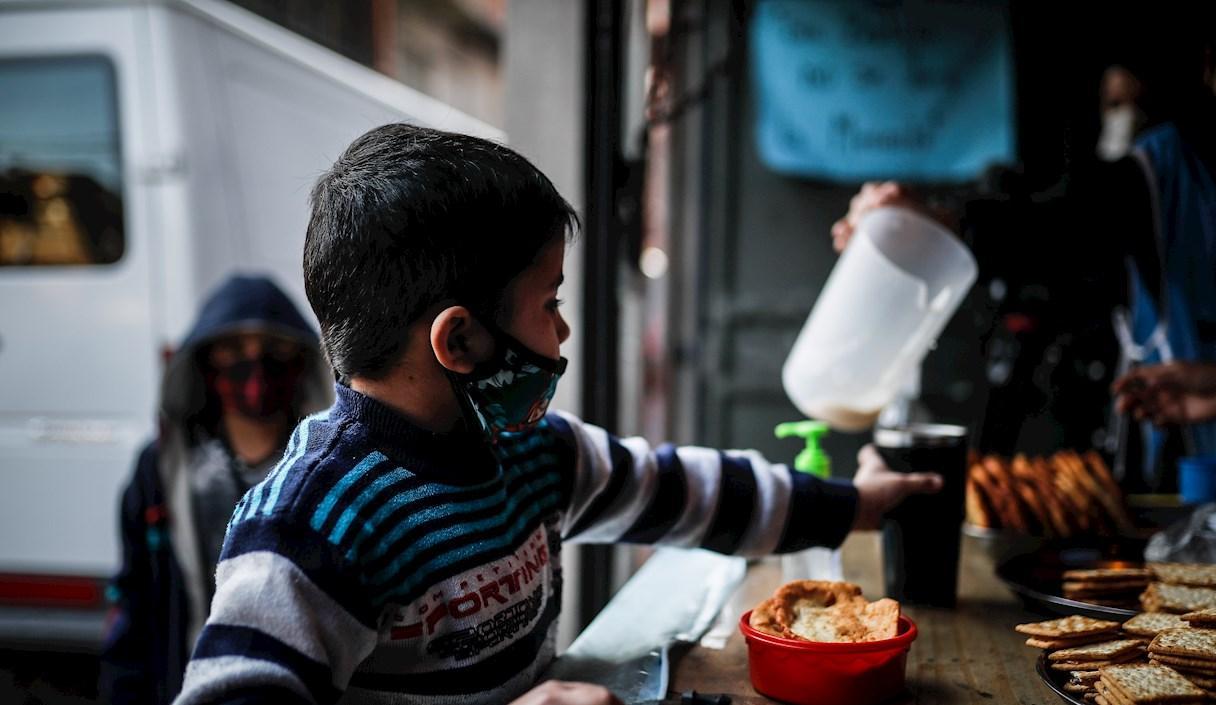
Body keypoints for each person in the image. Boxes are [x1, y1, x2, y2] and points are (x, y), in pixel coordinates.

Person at [171, 125, 944, 705]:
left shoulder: (533, 453)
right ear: (459, 339)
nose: (563, 331)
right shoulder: (309, 526)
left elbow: (689, 492)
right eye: (550, 303)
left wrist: (853, 504)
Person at [833, 15, 1216, 468]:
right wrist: (934, 222)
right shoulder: (1160, 178)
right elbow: (1050, 227)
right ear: (1209, 66)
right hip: (1201, 479)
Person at [100, 274, 332, 705]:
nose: (255, 366)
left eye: (274, 348)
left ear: (302, 360)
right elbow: (133, 605)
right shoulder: (162, 471)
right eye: (233, 349)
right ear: (205, 363)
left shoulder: (325, 468)